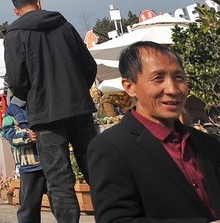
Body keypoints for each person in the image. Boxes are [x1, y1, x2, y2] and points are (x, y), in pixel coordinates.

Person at [88, 41, 220, 222]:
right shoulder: (111, 148)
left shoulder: (206, 143)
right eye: (158, 78)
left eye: (179, 77)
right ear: (129, 87)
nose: (173, 89)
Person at [4, 0, 97, 223]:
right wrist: (78, 90)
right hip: (80, 108)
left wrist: (32, 97)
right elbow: (89, 66)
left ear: (16, 11)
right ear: (39, 2)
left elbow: (16, 80)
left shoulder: (15, 35)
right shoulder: (65, 27)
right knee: (97, 170)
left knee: (59, 179)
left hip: (45, 115)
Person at [3, 94, 46, 223]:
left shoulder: (44, 101)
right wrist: (28, 135)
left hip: (51, 162)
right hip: (29, 166)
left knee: (61, 203)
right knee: (29, 209)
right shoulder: (12, 110)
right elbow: (8, 133)